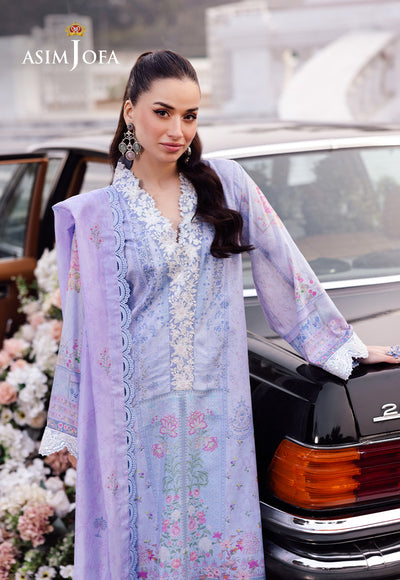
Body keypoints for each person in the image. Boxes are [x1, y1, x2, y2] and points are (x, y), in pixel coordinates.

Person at [39, 50, 400, 580]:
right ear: (130, 111)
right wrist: (70, 423)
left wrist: (342, 346)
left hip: (217, 412)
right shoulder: (97, 216)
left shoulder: (226, 185)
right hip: (137, 418)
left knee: (217, 547)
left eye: (189, 115)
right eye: (162, 112)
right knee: (148, 551)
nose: (177, 130)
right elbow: (81, 330)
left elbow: (285, 266)